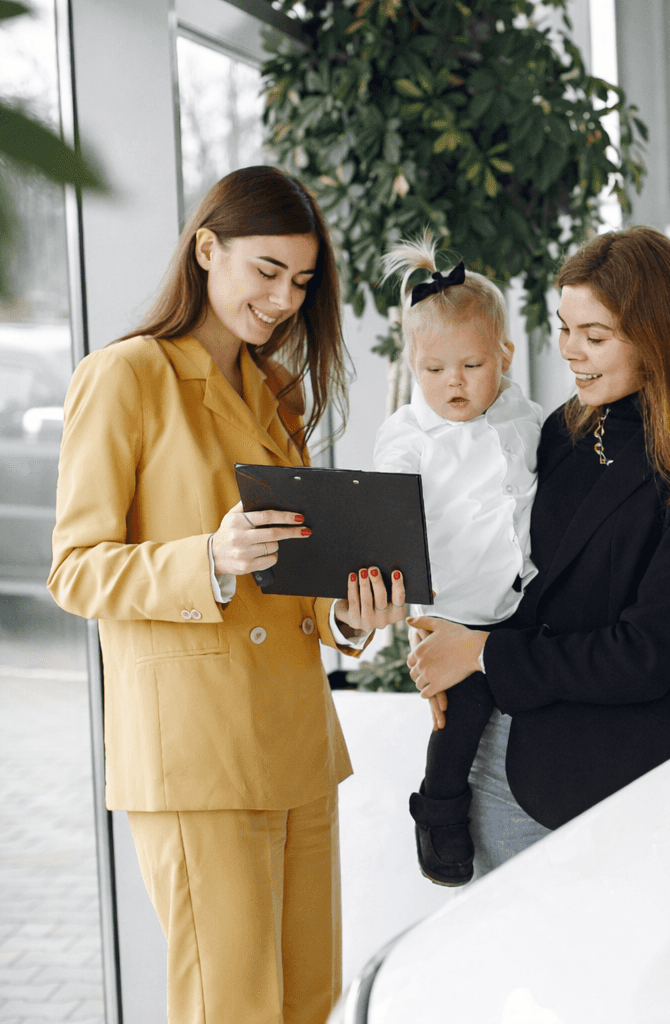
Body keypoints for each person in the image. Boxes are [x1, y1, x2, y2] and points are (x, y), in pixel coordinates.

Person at [48, 166, 405, 1024]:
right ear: (207, 250)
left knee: (310, 1001)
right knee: (229, 1008)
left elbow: (294, 570)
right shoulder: (125, 377)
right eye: (267, 271)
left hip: (295, 744)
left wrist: (346, 615)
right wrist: (206, 556)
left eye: (302, 281)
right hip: (197, 756)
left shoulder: (275, 390)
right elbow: (74, 568)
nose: (284, 299)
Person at [407, 225, 670, 874]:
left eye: (596, 337)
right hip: (501, 756)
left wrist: (483, 652)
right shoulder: (567, 428)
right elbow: (516, 578)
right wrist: (448, 638)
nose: (572, 353)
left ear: (659, 337)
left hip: (615, 782)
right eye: (565, 329)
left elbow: (648, 654)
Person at [373, 234, 543, 886]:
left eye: (471, 366)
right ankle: (438, 811)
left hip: (525, 600)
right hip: (454, 609)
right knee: (460, 715)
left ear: (503, 355)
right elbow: (387, 507)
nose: (454, 384)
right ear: (414, 365)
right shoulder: (411, 435)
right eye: (435, 370)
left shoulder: (524, 416)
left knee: (530, 697)